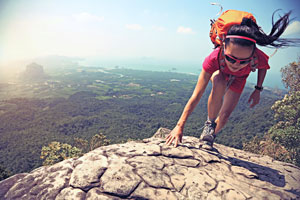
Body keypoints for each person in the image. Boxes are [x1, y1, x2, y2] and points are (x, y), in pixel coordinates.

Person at [165, 10, 300, 149]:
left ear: (253, 53)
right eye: (231, 58)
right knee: (219, 81)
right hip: (221, 72)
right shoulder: (213, 58)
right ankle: (209, 124)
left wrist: (258, 89)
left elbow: (263, 67)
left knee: (224, 116)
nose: (236, 64)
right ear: (223, 47)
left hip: (240, 79)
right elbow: (196, 95)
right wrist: (179, 126)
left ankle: (209, 137)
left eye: (243, 61)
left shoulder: (257, 56)